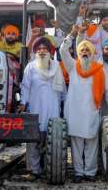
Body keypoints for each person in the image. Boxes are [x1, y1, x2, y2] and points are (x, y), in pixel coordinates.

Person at [60, 25, 108, 183]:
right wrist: (72, 34)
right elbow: (63, 51)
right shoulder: (72, 66)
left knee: (91, 143)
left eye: (87, 51)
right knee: (77, 145)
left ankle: (90, 172)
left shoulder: (99, 69)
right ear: (78, 54)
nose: (85, 53)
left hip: (92, 111)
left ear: (92, 53)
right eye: (82, 51)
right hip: (74, 112)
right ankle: (79, 172)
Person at [18, 36, 65, 180]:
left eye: (44, 49)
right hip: (36, 108)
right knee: (34, 140)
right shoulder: (30, 67)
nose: (42, 51)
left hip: (53, 108)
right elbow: (25, 86)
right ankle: (34, 170)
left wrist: (65, 105)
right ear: (35, 52)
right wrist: (23, 102)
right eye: (39, 49)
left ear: (50, 51)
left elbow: (63, 89)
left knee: (53, 139)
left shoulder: (57, 66)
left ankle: (51, 169)